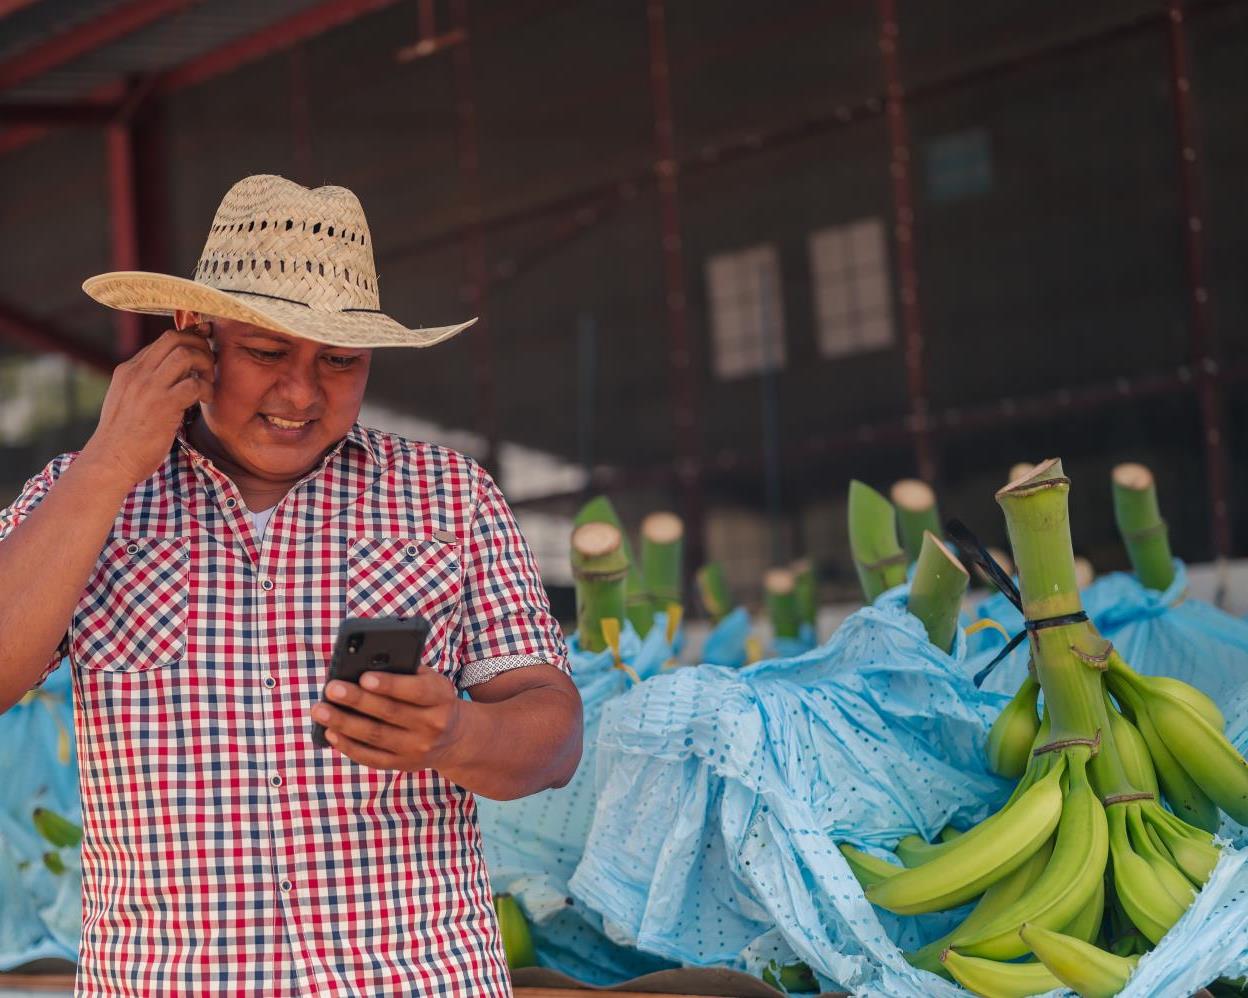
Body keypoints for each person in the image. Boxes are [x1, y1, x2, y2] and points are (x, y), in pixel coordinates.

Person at [0, 174, 582, 996]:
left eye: (340, 360)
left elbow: (555, 736)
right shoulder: (84, 494)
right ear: (192, 334)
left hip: (412, 979)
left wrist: (455, 735)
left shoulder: (449, 496)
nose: (302, 392)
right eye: (268, 352)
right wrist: (109, 465)